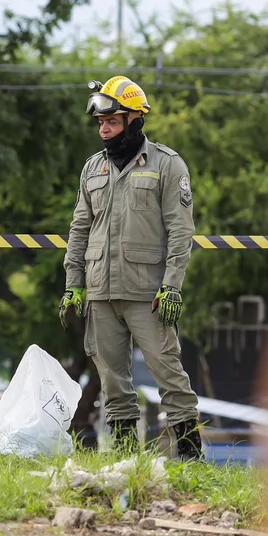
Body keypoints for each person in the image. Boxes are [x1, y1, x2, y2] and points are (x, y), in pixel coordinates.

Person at [61, 76, 202, 461]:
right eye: (101, 122)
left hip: (149, 295)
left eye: (112, 121)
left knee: (169, 375)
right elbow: (79, 229)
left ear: (134, 120)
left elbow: (180, 230)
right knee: (112, 383)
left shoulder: (166, 164)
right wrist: (73, 284)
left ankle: (191, 459)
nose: (104, 129)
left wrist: (172, 286)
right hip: (101, 292)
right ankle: (126, 463)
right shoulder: (92, 168)